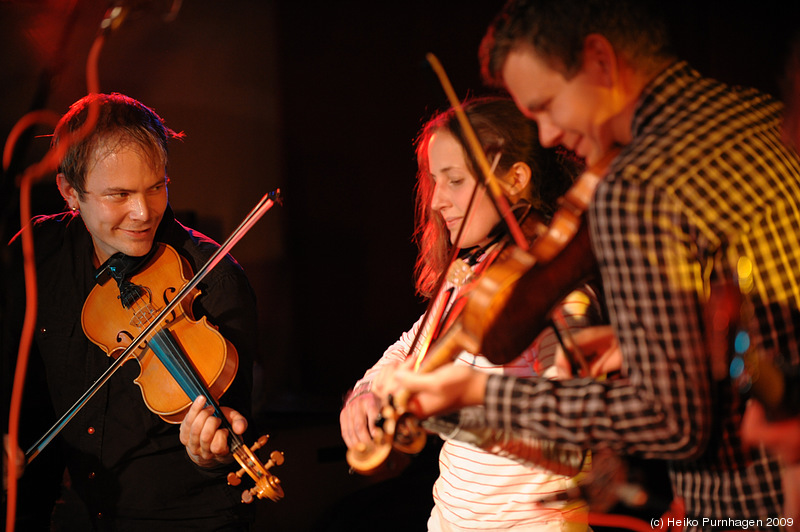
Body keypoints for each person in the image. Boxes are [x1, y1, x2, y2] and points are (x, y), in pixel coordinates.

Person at [373, 2, 800, 531]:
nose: (548, 135)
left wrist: (477, 393)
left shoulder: (634, 187)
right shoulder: (763, 116)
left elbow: (672, 422)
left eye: (548, 105)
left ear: (601, 60)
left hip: (745, 506)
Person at [340, 96, 604, 531]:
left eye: (455, 180)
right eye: (433, 181)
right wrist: (367, 390)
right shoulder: (470, 271)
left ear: (516, 178)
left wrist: (457, 410)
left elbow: (571, 437)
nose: (437, 201)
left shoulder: (554, 288)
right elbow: (412, 346)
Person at [2, 93, 258, 530]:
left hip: (186, 520)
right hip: (74, 514)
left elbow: (235, 429)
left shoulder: (212, 277)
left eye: (155, 187)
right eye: (118, 195)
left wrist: (208, 453)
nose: (142, 213)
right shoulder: (37, 255)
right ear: (69, 191)